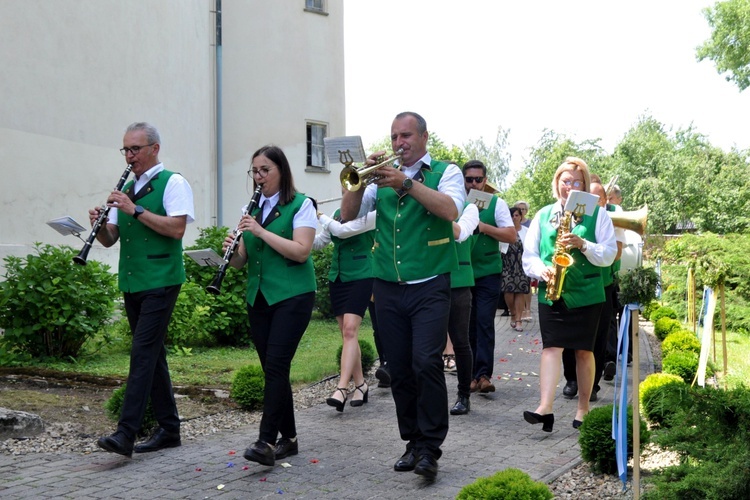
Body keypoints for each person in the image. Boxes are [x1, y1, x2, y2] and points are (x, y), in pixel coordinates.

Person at [340, 111, 464, 481]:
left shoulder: (447, 172)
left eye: (406, 136)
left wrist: (406, 184)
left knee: (425, 362)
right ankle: (411, 441)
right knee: (400, 368)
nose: (399, 144)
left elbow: (450, 209)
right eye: (394, 137)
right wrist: (360, 181)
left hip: (430, 283)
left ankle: (430, 447)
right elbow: (347, 217)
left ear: (425, 137)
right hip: (387, 287)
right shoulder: (380, 179)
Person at [93, 122, 195, 457]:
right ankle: (169, 429)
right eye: (125, 149)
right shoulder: (128, 188)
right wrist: (98, 224)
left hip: (162, 279)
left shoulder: (173, 183)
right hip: (133, 280)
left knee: (141, 353)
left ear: (154, 148)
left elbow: (177, 228)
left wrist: (134, 209)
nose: (129, 156)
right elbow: (111, 239)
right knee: (153, 355)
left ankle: (126, 433)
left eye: (135, 149)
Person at [225, 145, 317, 467]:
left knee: (277, 366)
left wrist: (260, 232)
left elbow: (302, 251)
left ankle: (265, 441)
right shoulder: (250, 209)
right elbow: (241, 262)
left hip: (293, 295)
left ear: (281, 171)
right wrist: (231, 252)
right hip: (259, 296)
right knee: (273, 370)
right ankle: (289, 439)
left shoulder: (301, 205)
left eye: (265, 170)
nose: (259, 177)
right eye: (255, 171)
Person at [522, 157, 616, 432]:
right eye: (566, 181)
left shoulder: (598, 215)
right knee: (551, 347)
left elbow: (609, 254)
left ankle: (583, 408)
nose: (570, 186)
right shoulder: (543, 215)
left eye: (577, 182)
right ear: (557, 184)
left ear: (584, 186)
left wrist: (583, 244)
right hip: (553, 293)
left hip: (587, 293)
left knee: (584, 352)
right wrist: (542, 271)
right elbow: (530, 256)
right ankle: (545, 408)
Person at [560, 178, 624, 401]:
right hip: (574, 283)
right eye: (591, 197)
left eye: (599, 198)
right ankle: (571, 379)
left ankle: (593, 384)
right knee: (569, 336)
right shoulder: (573, 214)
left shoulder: (607, 218)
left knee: (597, 337)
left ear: (604, 200)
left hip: (603, 284)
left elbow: (616, 253)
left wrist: (591, 243)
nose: (594, 201)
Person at [313, 207, 376, 411]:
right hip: (338, 277)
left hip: (362, 274)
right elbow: (321, 241)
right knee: (347, 334)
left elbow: (342, 231)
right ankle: (360, 385)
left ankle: (341, 388)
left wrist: (320, 215)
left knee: (350, 330)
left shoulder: (372, 213)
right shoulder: (338, 211)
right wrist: (297, 232)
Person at [463, 160, 516, 394]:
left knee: (484, 322)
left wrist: (483, 227)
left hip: (488, 273)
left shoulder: (497, 203)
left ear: (485, 181)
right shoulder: (456, 201)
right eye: (469, 179)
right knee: (466, 326)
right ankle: (470, 375)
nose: (474, 183)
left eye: (478, 179)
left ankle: (483, 374)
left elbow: (511, 236)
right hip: (462, 272)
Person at [447, 202, 479, 414]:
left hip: (458, 281)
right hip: (428, 280)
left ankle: (463, 396)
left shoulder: (470, 208)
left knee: (460, 341)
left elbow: (462, 234)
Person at [501, 206, 530, 332]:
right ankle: (512, 313)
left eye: (517, 215)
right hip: (507, 264)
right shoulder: (504, 230)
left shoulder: (527, 231)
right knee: (508, 291)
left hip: (522, 264)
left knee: (520, 291)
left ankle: (518, 320)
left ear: (521, 217)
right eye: (512, 215)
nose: (514, 218)